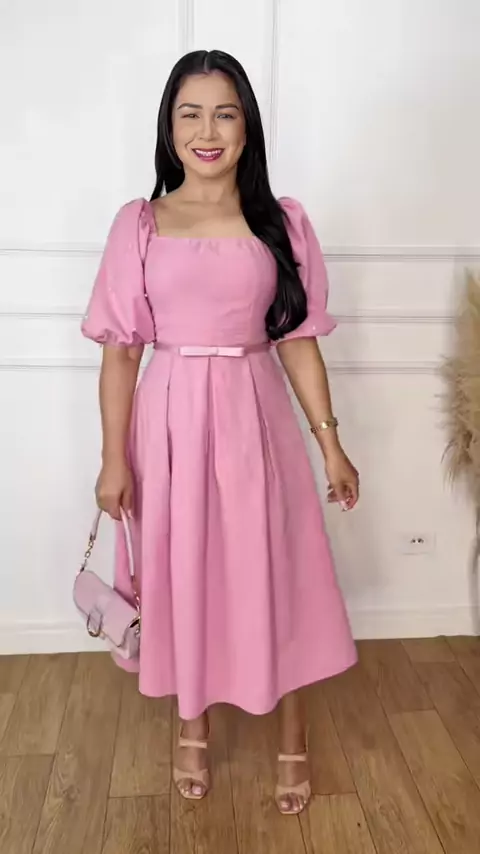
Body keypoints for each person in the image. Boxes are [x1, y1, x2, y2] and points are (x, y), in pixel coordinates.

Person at [81, 49, 359, 815]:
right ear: (169, 128)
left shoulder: (281, 222)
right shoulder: (139, 224)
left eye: (225, 114)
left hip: (255, 420)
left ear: (247, 127)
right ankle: (192, 727)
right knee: (184, 574)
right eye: (191, 114)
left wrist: (330, 443)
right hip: (168, 424)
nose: (207, 131)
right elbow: (120, 353)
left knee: (280, 572)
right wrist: (112, 460)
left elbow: (297, 340)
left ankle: (293, 736)